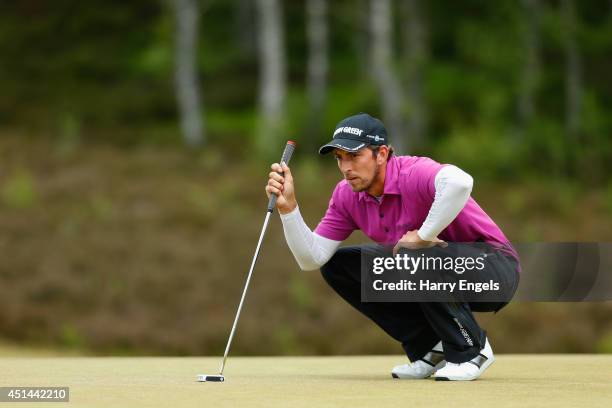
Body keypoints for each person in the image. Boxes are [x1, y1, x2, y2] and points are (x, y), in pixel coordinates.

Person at [265, 113, 520, 381]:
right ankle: (431, 348)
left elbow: (461, 182)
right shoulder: (346, 195)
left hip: (495, 270)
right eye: (339, 158)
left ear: (382, 154)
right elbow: (312, 258)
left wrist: (423, 235)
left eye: (354, 156)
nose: (345, 167)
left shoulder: (413, 172)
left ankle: (471, 350)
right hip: (432, 273)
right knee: (338, 266)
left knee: (416, 254)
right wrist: (289, 208)